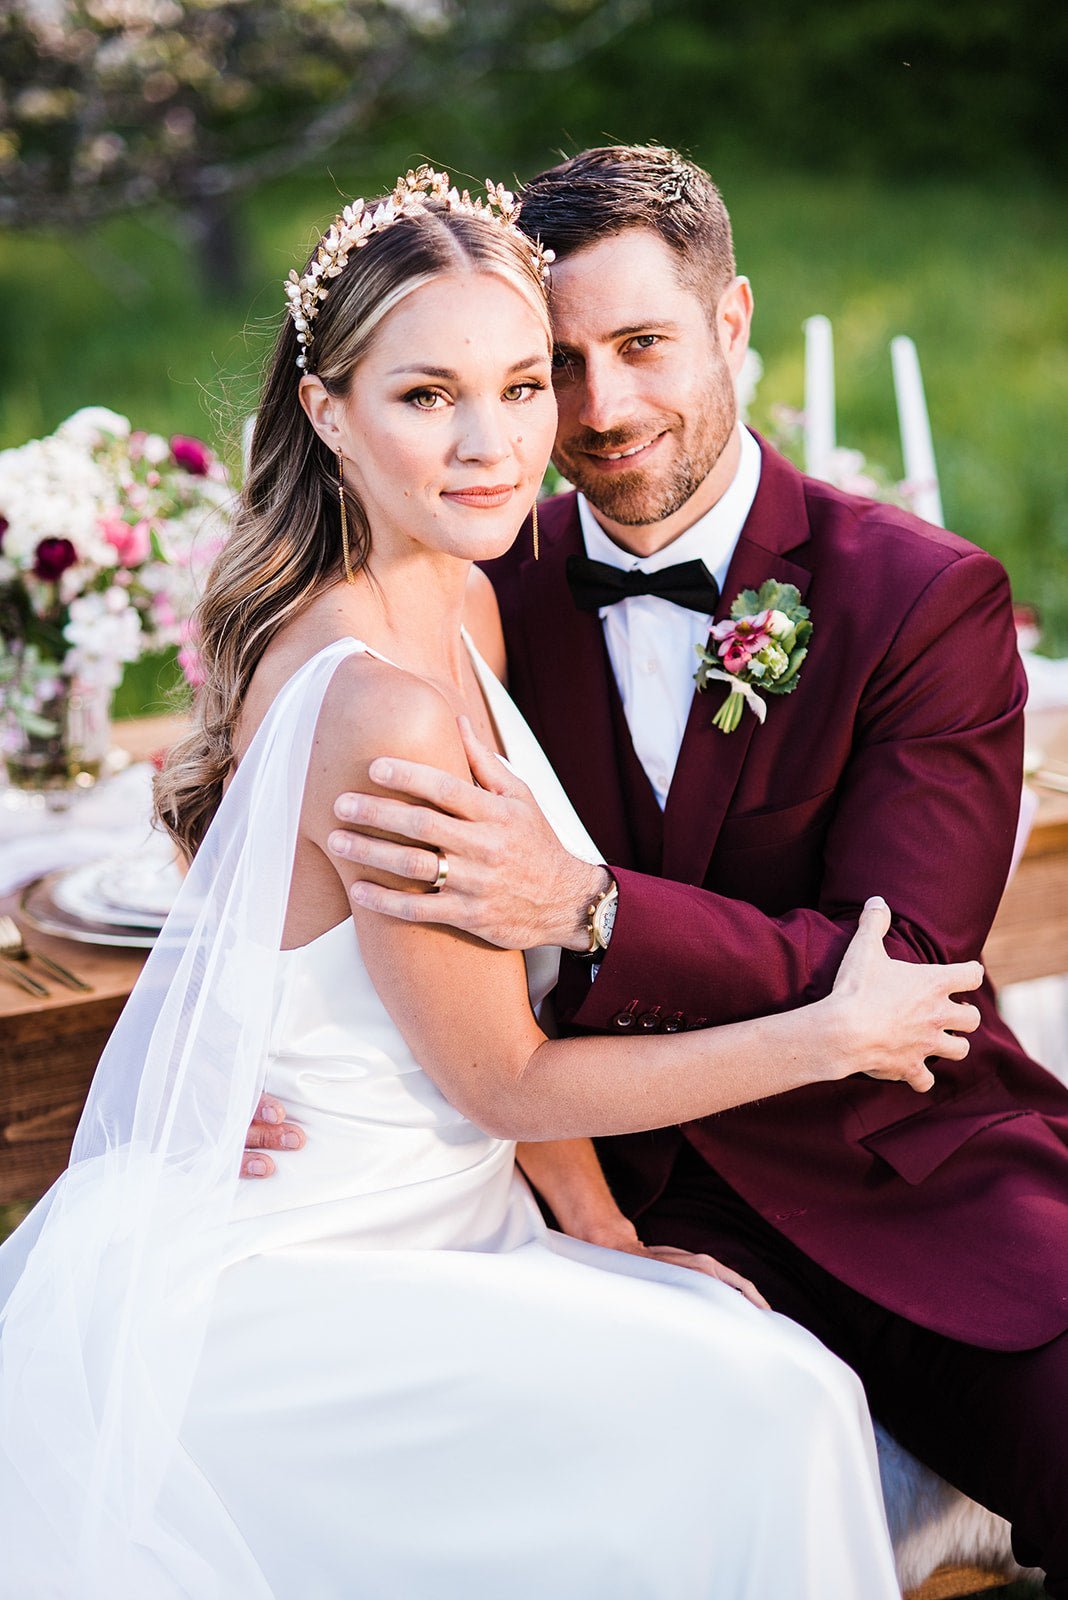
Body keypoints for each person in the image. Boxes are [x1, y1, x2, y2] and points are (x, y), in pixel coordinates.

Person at [0, 166, 984, 1600]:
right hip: (327, 1252)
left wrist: (601, 1235)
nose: (496, 443)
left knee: (776, 1389)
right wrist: (828, 1035)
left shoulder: (463, 594)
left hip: (463, 1204)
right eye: (426, 396)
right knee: (775, 1412)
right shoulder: (378, 701)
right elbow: (508, 1079)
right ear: (329, 411)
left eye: (524, 386)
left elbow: (286, 900)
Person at [320, 146, 1068, 1594]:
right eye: (559, 365)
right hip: (587, 1199)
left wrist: (589, 908)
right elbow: (289, 775)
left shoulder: (920, 596)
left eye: (645, 345)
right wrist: (262, 1087)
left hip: (902, 1172)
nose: (602, 412)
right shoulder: (475, 578)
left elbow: (900, 967)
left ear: (731, 321)